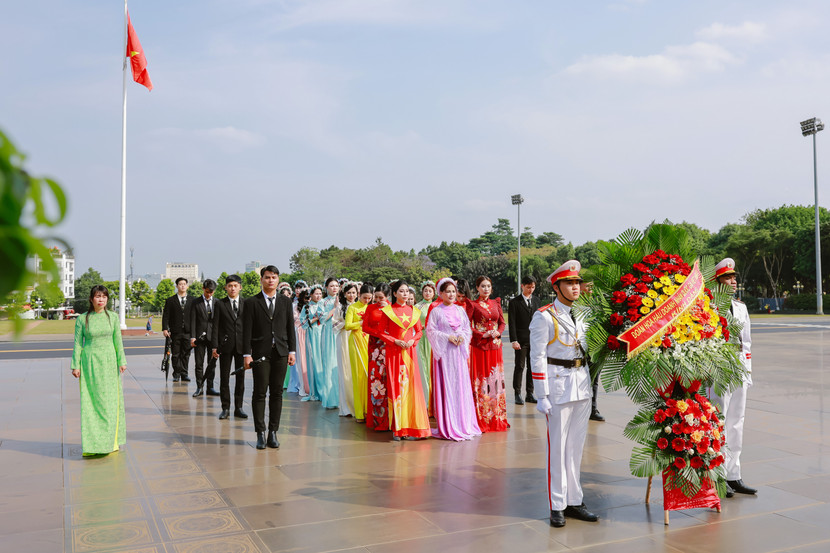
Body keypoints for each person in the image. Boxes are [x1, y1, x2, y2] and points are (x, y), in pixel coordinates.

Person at [529, 260, 598, 528]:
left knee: (576, 448)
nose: (575, 287)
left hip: (581, 384)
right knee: (557, 448)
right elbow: (538, 357)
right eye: (569, 283)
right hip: (557, 386)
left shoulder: (583, 314)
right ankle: (557, 505)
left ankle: (574, 501)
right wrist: (542, 394)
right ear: (557, 287)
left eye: (577, 282)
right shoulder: (544, 316)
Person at [711, 258, 757, 497]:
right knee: (718, 422)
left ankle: (733, 474)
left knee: (736, 422)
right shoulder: (709, 307)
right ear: (717, 281)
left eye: (734, 278)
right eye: (728, 278)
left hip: (739, 368)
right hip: (719, 369)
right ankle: (717, 476)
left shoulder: (740, 308)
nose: (733, 282)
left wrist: (747, 371)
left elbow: (746, 342)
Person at [242, 266, 296, 450]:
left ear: (278, 280)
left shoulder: (286, 302)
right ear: (261, 280)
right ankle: (260, 432)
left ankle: (273, 432)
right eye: (267, 277)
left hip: (281, 352)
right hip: (260, 353)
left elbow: (290, 328)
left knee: (277, 392)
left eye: (273, 277)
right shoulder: (251, 302)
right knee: (259, 392)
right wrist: (247, 354)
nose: (270, 280)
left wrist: (292, 351)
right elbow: (246, 331)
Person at [71, 285, 127, 456]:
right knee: (91, 403)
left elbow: (118, 340)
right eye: (97, 296)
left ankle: (111, 441)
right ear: (91, 299)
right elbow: (78, 343)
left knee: (109, 403)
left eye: (104, 296)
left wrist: (121, 360)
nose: (101, 299)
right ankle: (92, 445)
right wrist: (76, 365)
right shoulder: (82, 319)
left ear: (107, 299)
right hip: (89, 363)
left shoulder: (113, 317)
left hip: (109, 363)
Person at [426, 278, 481, 441]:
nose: (451, 294)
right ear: (440, 294)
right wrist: (448, 337)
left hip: (458, 353)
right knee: (448, 385)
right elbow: (431, 331)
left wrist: (461, 338)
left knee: (460, 385)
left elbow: (466, 329)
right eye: (447, 291)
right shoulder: (436, 311)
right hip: (445, 354)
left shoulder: (460, 310)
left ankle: (463, 422)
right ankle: (449, 424)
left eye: (453, 291)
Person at [378, 280, 431, 440]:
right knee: (397, 388)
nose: (405, 294)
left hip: (410, 353)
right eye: (401, 291)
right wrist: (395, 341)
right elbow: (381, 332)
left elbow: (419, 332)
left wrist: (412, 341)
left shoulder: (413, 311)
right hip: (394, 353)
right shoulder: (388, 311)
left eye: (407, 291)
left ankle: (411, 426)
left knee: (411, 388)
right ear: (394, 294)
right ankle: (398, 427)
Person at [467, 276, 510, 432]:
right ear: (477, 288)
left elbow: (502, 322)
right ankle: (483, 417)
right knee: (483, 379)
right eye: (483, 286)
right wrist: (481, 334)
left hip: (495, 346)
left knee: (496, 380)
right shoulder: (473, 305)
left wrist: (497, 333)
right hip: (480, 346)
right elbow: (467, 325)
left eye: (488, 286)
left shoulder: (495, 303)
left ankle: (497, 417)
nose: (486, 289)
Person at [211, 274, 248, 420]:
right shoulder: (220, 304)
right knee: (224, 378)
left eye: (235, 285)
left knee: (241, 378)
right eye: (230, 286)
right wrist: (215, 346)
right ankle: (225, 408)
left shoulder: (247, 304)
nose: (232, 288)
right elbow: (215, 327)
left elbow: (249, 327)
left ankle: (238, 407)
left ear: (240, 287)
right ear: (225, 287)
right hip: (225, 346)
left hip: (241, 347)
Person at [508, 275, 540, 406]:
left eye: (533, 287)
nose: (530, 290)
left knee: (532, 367)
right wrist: (514, 340)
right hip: (521, 340)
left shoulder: (537, 301)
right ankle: (517, 393)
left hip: (535, 340)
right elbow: (512, 323)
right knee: (520, 366)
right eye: (528, 287)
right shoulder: (514, 302)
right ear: (522, 286)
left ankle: (530, 393)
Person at [363, 283, 391, 431]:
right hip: (375, 348)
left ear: (388, 296)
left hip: (389, 347)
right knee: (376, 381)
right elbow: (365, 326)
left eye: (382, 297)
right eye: (377, 297)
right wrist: (378, 333)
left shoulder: (392, 308)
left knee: (389, 381)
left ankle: (391, 419)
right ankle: (378, 419)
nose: (379, 300)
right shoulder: (371, 308)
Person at [345, 283, 373, 422]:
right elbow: (347, 325)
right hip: (355, 342)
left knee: (369, 377)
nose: (366, 301)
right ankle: (359, 412)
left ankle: (369, 410)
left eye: (369, 298)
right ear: (359, 295)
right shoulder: (352, 308)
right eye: (364, 298)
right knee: (358, 377)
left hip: (369, 342)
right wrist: (361, 323)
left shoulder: (371, 308)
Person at [189, 279, 219, 397]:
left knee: (212, 363)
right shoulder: (196, 302)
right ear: (203, 289)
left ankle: (210, 387)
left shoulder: (217, 302)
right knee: (199, 363)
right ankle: (199, 387)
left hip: (213, 337)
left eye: (211, 292)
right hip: (199, 337)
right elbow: (192, 321)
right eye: (207, 292)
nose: (209, 294)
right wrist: (192, 337)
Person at [580, 281, 604, 422]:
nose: (590, 289)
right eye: (587, 286)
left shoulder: (598, 303)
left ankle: (592, 409)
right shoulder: (574, 303)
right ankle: (581, 408)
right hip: (579, 349)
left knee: (594, 380)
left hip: (595, 347)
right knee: (581, 380)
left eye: (591, 286)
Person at [334, 282, 358, 417]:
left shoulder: (360, 307)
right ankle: (346, 406)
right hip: (344, 338)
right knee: (345, 370)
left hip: (357, 339)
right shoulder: (340, 307)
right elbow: (335, 323)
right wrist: (347, 324)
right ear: (344, 294)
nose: (351, 295)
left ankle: (358, 404)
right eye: (349, 293)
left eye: (354, 292)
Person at [316, 278, 341, 409]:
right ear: (326, 287)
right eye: (331, 286)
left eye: (336, 286)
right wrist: (334, 309)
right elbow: (322, 318)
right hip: (329, 334)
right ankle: (331, 400)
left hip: (341, 333)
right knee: (329, 364)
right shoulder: (322, 302)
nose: (334, 288)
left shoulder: (343, 300)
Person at [162, 277, 192, 382]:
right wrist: (165, 328)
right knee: (175, 354)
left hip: (188, 332)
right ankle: (176, 374)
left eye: (184, 284)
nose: (182, 286)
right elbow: (166, 316)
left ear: (187, 286)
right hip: (175, 331)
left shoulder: (193, 300)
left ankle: (184, 373)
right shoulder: (171, 300)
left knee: (186, 354)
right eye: (180, 284)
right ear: (177, 286)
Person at [415, 281, 436, 414]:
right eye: (425, 290)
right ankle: (425, 401)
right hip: (421, 338)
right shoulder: (418, 306)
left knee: (433, 368)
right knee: (423, 367)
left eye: (430, 291)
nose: (427, 293)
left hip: (434, 339)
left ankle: (434, 401)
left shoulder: (437, 305)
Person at [301, 285, 324, 402]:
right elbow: (304, 323)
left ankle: (325, 390)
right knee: (314, 361)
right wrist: (315, 318)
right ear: (311, 295)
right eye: (316, 294)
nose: (318, 296)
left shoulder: (324, 305)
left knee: (324, 361)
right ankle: (315, 391)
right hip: (312, 336)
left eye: (320, 294)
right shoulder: (306, 307)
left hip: (324, 335)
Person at [293, 287, 310, 397]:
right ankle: (304, 385)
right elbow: (296, 321)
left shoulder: (315, 306)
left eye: (309, 297)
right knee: (302, 359)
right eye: (306, 297)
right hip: (300, 333)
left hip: (312, 333)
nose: (308, 300)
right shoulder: (296, 307)